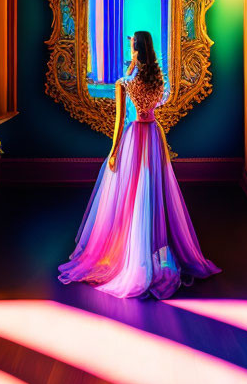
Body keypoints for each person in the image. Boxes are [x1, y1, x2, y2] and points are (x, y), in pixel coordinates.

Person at [58, 30, 220, 298]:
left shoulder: (124, 83)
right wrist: (137, 66)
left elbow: (119, 122)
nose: (129, 47)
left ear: (135, 49)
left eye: (131, 44)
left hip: (134, 137)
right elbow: (154, 105)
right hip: (154, 134)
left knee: (132, 192)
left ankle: (132, 254)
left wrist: (113, 151)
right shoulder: (157, 79)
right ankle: (152, 251)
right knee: (153, 190)